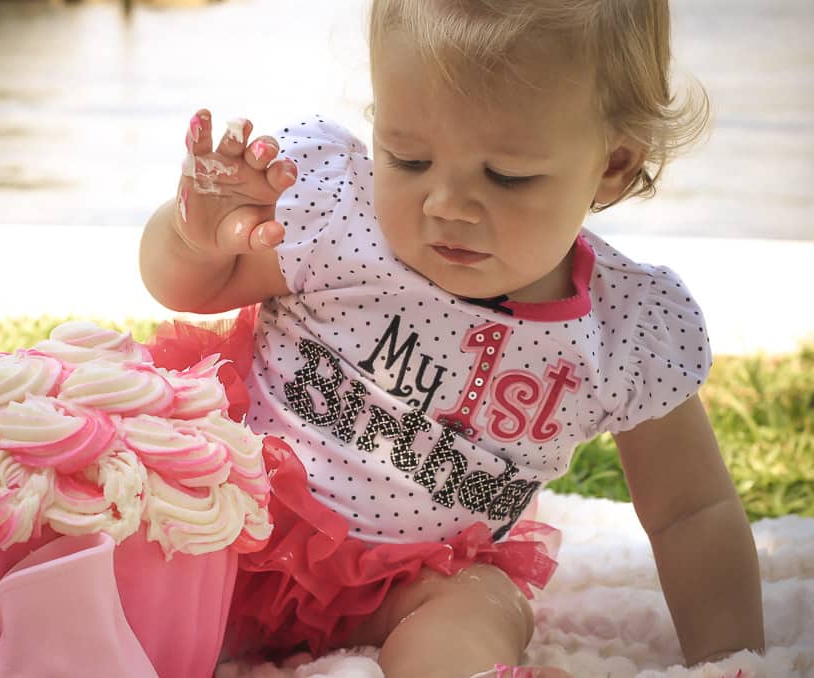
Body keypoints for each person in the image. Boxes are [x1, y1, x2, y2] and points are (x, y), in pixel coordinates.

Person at [137, 0, 765, 676]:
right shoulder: (339, 219)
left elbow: (691, 511)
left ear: (613, 164)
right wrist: (193, 238)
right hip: (229, 520)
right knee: (122, 505)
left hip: (410, 586)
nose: (446, 205)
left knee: (479, 604)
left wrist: (729, 658)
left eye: (506, 176)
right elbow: (190, 288)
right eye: (409, 159)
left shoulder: (623, 332)